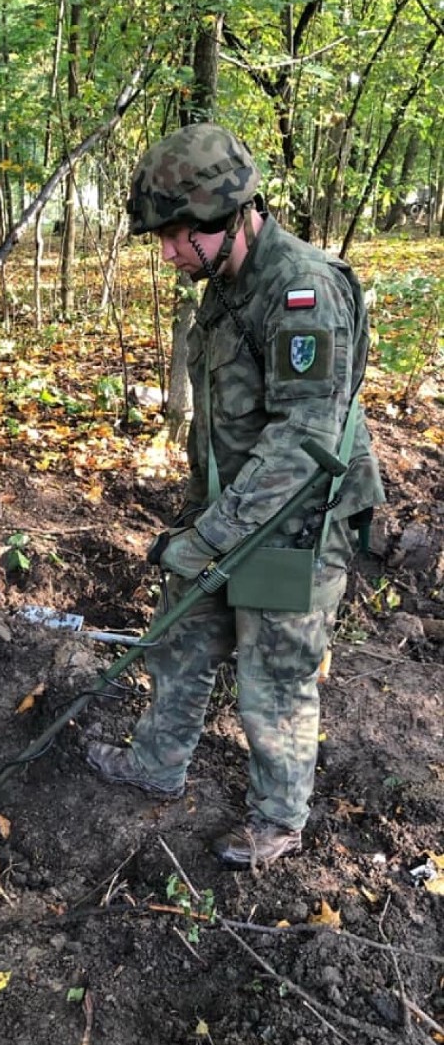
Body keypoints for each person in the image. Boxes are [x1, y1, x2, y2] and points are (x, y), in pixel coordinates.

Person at [87, 123, 385, 869]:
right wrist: (200, 527)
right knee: (179, 639)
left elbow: (302, 445)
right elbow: (227, 429)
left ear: (229, 218)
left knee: (275, 680)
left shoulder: (301, 293)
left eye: (178, 234)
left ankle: (278, 820)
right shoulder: (226, 287)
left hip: (298, 529)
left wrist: (209, 538)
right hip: (236, 510)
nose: (168, 252)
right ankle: (155, 765)